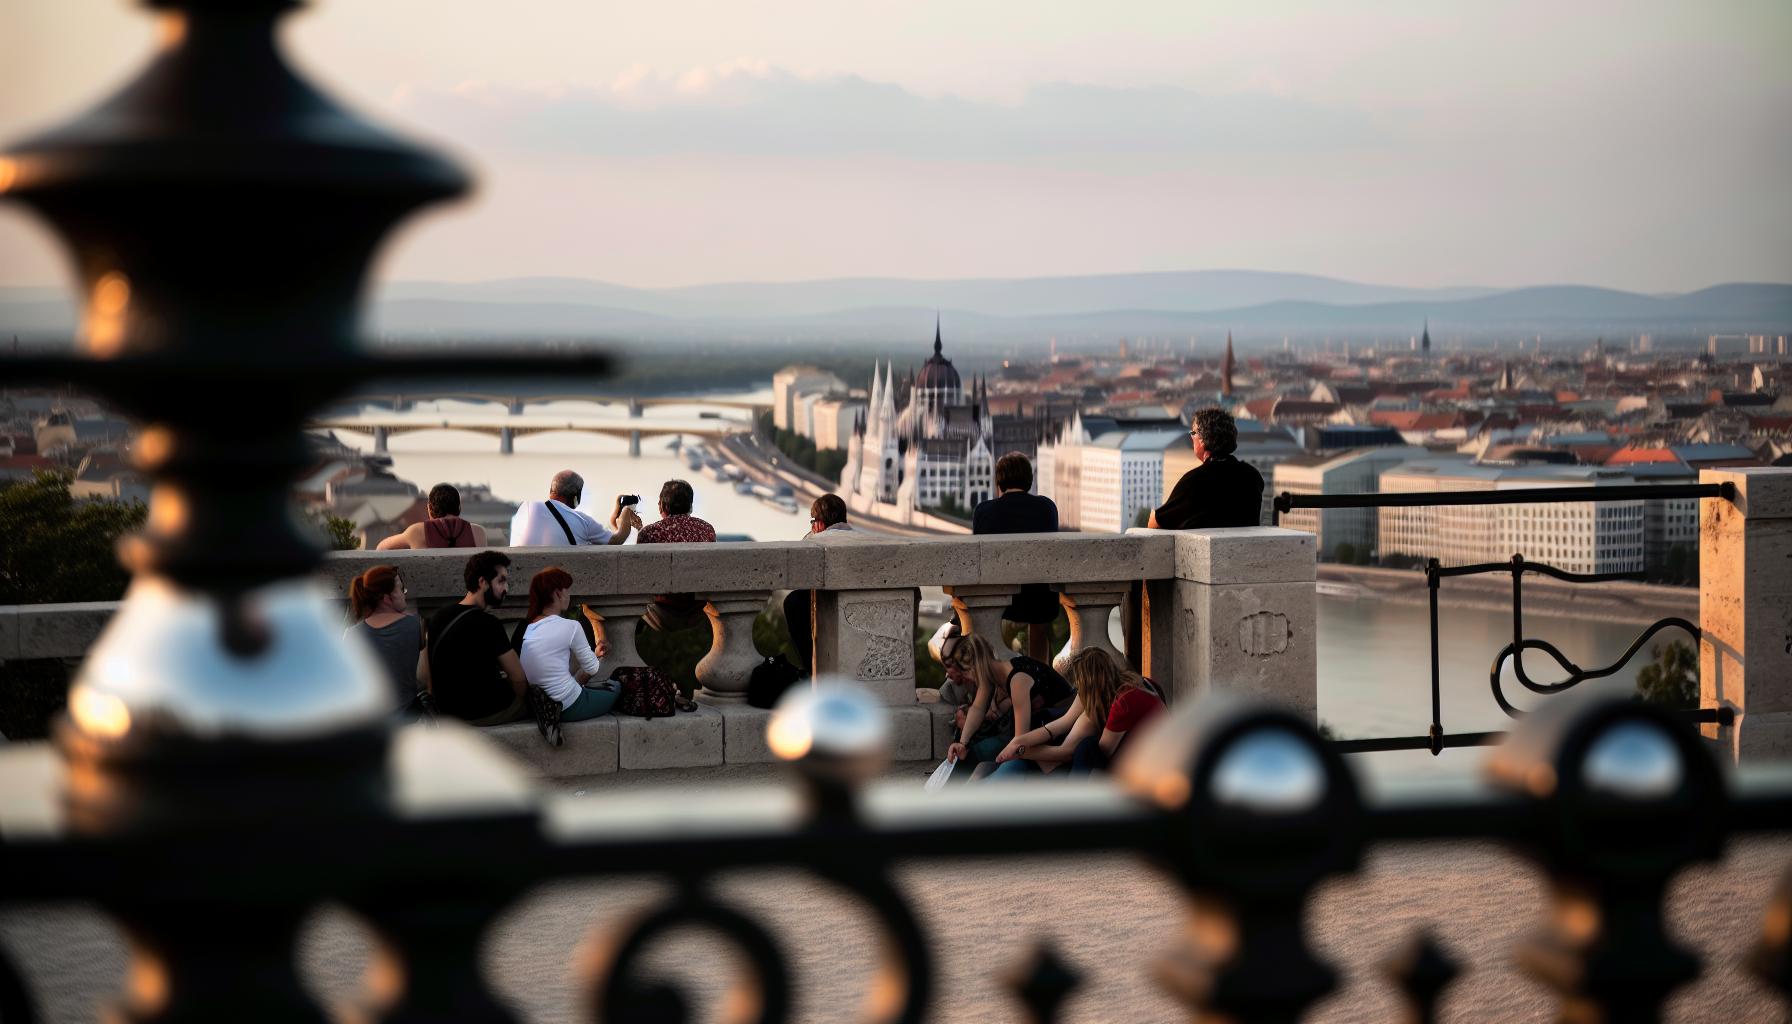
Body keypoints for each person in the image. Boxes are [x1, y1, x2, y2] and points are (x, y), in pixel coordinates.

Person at [988, 647, 1165, 779]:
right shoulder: (1136, 682)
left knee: (1086, 747)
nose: (1078, 688)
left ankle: (1073, 801)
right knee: (1059, 729)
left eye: (1080, 683)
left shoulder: (1124, 703)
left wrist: (1023, 752)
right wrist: (1019, 742)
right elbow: (1063, 723)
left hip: (1152, 762)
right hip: (1145, 750)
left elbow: (1101, 752)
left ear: (1089, 682)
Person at [943, 631, 1075, 775]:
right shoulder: (993, 675)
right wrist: (962, 743)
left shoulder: (1017, 680)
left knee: (979, 761)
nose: (967, 679)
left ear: (975, 668)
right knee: (973, 759)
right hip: (1041, 733)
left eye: (965, 674)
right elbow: (978, 708)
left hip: (1063, 733)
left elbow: (1020, 742)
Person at [971, 452, 1060, 660]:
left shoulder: (984, 511)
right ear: (1029, 480)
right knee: (1041, 612)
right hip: (1039, 600)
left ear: (999, 481)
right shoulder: (1047, 508)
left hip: (1000, 597)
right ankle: (1040, 670)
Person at [514, 566, 617, 745]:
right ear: (558, 593)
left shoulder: (528, 628)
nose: (569, 595)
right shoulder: (571, 626)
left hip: (544, 701)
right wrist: (596, 652)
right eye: (567, 590)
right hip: (570, 706)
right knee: (617, 689)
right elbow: (592, 668)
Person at [427, 550, 530, 726]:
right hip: (482, 712)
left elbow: (427, 672)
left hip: (447, 713)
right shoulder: (488, 623)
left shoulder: (438, 616)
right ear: (482, 582)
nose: (507, 588)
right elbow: (519, 678)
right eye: (501, 581)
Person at [784, 493, 874, 671]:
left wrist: (812, 535)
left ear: (819, 523)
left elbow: (799, 577)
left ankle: (811, 668)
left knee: (793, 602)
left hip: (833, 606)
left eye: (812, 520)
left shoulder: (816, 540)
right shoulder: (857, 538)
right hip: (860, 605)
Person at [1151, 407, 1264, 529]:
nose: (1191, 437)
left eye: (1193, 433)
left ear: (1203, 440)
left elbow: (1155, 524)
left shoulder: (1194, 481)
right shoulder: (1252, 476)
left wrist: (1153, 512)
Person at [637, 479, 717, 634]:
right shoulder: (707, 530)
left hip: (662, 612)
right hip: (697, 611)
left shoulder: (649, 533)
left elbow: (642, 574)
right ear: (690, 505)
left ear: (662, 505)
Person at [344, 565, 429, 710]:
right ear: (386, 598)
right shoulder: (416, 625)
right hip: (410, 718)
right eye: (401, 589)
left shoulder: (352, 635)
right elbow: (424, 676)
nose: (404, 594)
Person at [509, 470, 642, 546]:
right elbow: (617, 540)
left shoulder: (527, 506)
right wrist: (625, 512)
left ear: (551, 490)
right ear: (575, 496)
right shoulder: (582, 521)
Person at [376, 483, 487, 550]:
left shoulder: (416, 531)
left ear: (429, 508)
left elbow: (381, 548)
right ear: (459, 507)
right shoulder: (478, 533)